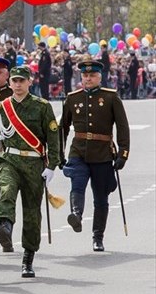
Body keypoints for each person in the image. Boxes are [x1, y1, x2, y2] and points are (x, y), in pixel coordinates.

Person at [0, 66, 60, 278]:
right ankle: (4, 225)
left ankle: (28, 258)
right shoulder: (2, 106)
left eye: (22, 80)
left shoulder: (42, 106)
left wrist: (52, 165)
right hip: (10, 159)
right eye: (15, 81)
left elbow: (53, 138)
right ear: (10, 83)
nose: (18, 84)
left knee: (32, 213)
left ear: (29, 82)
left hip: (33, 163)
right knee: (6, 189)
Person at [60, 60, 129, 251]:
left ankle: (98, 236)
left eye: (92, 76)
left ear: (100, 77)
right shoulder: (73, 98)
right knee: (78, 183)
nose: (88, 79)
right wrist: (58, 152)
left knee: (100, 198)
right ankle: (76, 214)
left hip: (103, 154)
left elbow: (122, 127)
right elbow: (62, 128)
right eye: (85, 76)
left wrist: (123, 153)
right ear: (81, 77)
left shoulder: (110, 97)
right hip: (78, 151)